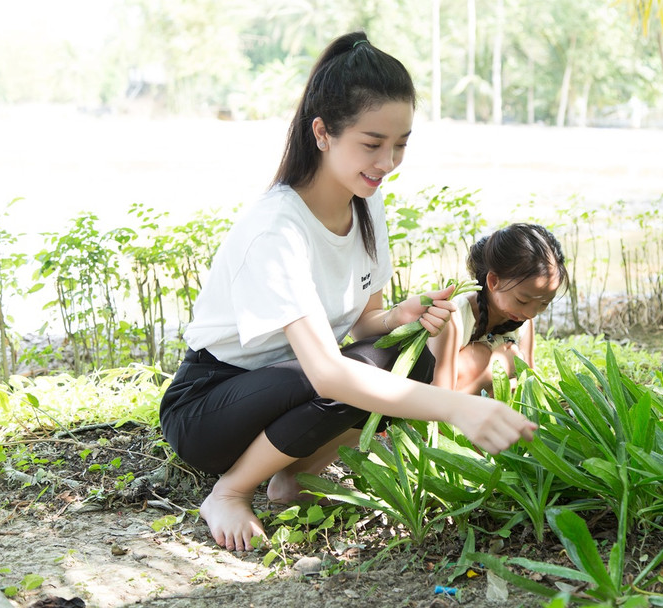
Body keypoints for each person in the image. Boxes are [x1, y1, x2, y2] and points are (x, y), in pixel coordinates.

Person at [159, 31, 537, 552]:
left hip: (288, 395)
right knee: (347, 377)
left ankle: (292, 477)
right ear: (323, 133)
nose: (387, 162)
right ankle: (230, 490)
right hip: (210, 409)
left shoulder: (366, 204)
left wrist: (402, 315)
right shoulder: (278, 229)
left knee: (408, 359)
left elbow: (363, 326)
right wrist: (457, 408)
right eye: (373, 143)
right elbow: (328, 372)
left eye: (400, 144)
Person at [428, 224, 567, 395]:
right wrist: (492, 374)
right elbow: (437, 398)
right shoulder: (453, 318)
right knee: (477, 357)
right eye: (522, 300)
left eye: (544, 304)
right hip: (438, 406)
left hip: (488, 411)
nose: (531, 313)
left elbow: (529, 382)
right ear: (493, 281)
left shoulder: (522, 318)